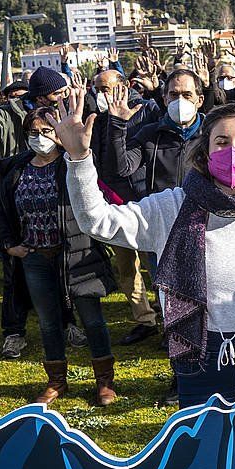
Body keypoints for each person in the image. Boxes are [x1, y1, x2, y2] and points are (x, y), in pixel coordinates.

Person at [59, 97, 235, 408]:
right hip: (199, 353)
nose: (233, 151)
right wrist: (79, 157)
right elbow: (96, 221)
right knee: (205, 448)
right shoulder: (172, 206)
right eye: (222, 142)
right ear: (205, 150)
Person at [0, 106, 118, 406]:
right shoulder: (15, 168)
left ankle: (104, 381)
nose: (40, 138)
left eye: (46, 131)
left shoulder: (73, 163)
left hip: (78, 253)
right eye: (33, 132)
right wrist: (10, 244)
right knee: (48, 322)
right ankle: (57, 381)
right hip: (35, 257)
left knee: (92, 319)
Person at [0, 53, 72, 359]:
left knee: (64, 270)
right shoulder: (8, 113)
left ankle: (67, 322)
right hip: (17, 199)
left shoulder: (63, 115)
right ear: (40, 97)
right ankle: (14, 332)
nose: (62, 98)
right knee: (15, 277)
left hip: (55, 200)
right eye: (57, 94)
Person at [89, 67, 162, 346]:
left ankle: (169, 315)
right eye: (97, 89)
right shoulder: (97, 119)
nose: (101, 94)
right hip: (115, 202)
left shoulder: (147, 109)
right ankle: (144, 319)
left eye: (105, 88)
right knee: (126, 267)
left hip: (146, 201)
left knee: (155, 266)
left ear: (123, 86)